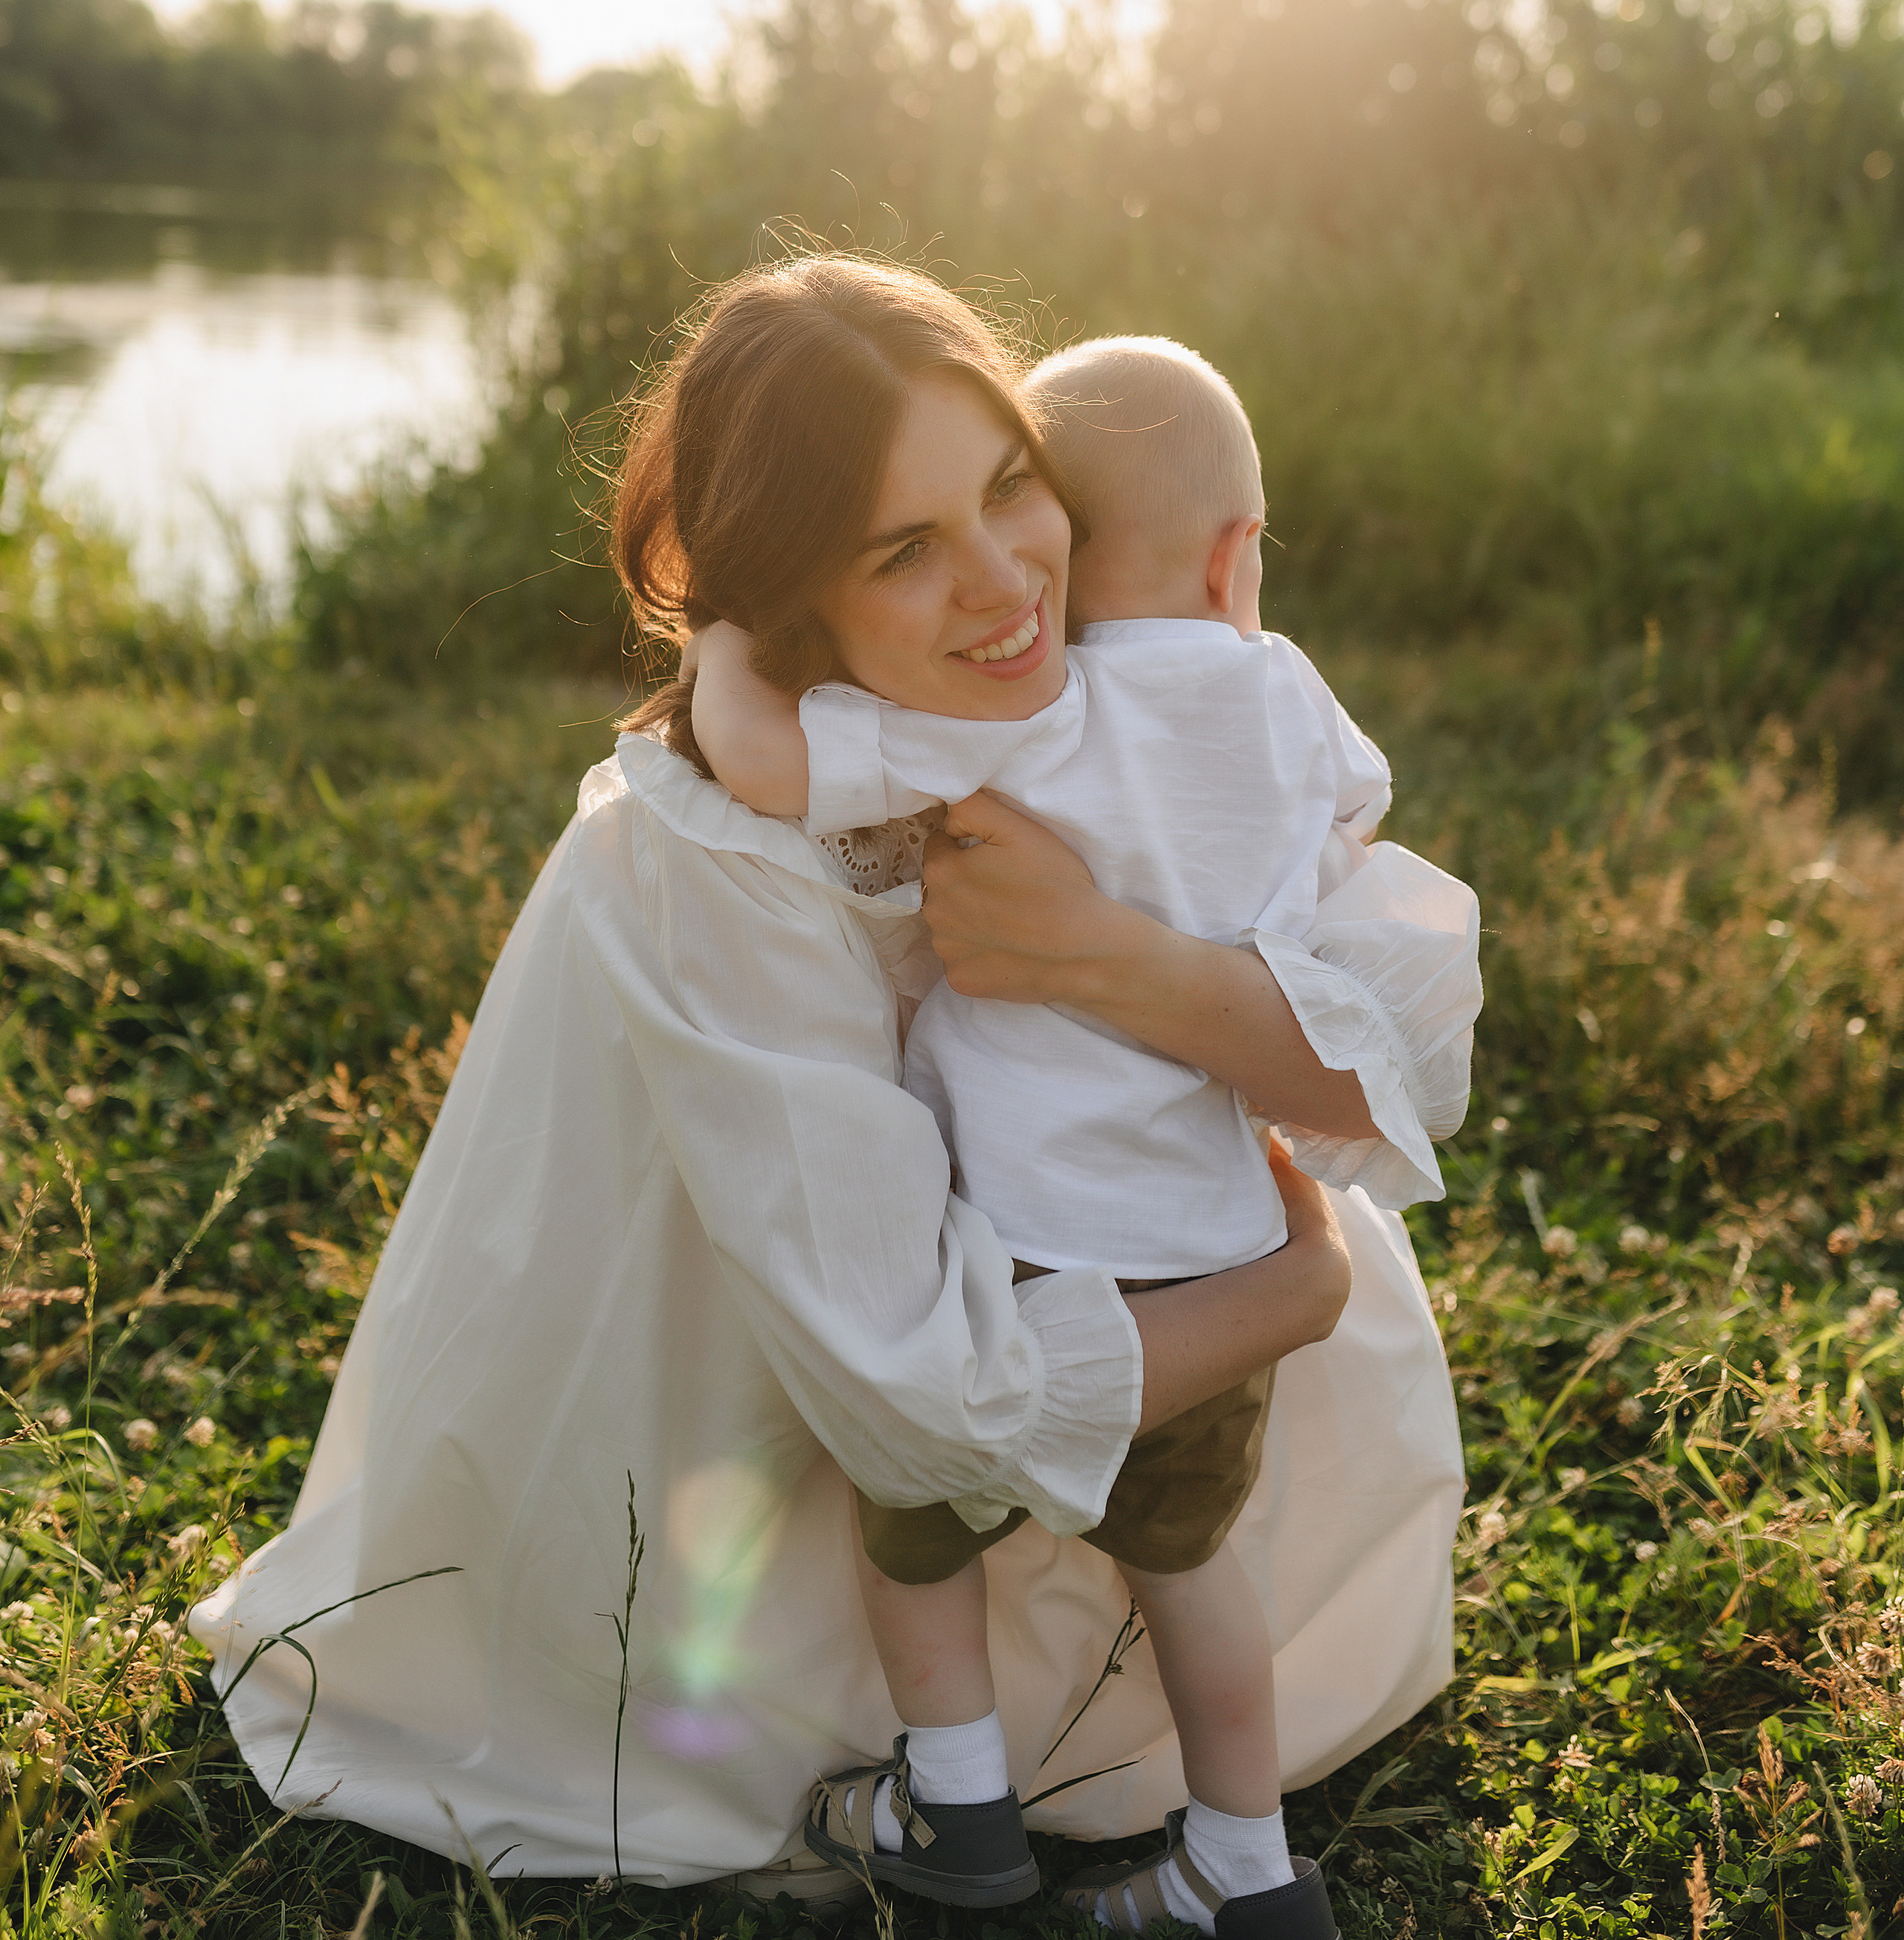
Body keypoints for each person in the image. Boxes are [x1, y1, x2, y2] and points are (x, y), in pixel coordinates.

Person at [190, 256, 1463, 1895]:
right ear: (794, 600)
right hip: (802, 1451)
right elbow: (912, 1392)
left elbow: (1400, 1052)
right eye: (902, 546)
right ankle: (972, 1778)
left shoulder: (1079, 695)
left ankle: (1091, 1760)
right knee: (943, 1581)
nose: (1006, 575)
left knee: (1170, 1576)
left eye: (1013, 484)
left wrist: (1103, 955)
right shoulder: (717, 859)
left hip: (1110, 1326)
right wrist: (1289, 1291)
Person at [688, 335, 1481, 1937]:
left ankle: (961, 1796)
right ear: (1237, 551)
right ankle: (1241, 1864)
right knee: (1192, 1564)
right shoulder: (1290, 705)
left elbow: (764, 761)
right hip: (1212, 1239)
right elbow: (1347, 844)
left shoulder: (1024, 717)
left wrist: (717, 645)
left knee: (911, 1522)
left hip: (1013, 1242)